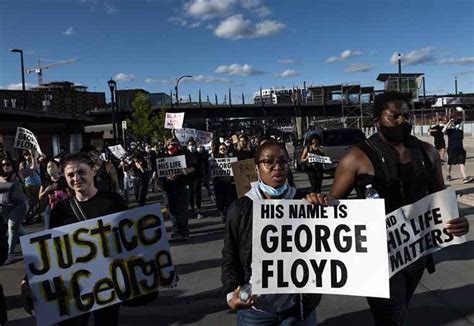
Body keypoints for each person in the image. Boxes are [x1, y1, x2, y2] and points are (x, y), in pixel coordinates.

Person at [306, 91, 470, 326]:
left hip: (416, 252)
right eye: (394, 116)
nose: (403, 121)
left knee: (400, 309)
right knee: (391, 317)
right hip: (376, 256)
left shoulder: (427, 152)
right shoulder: (356, 158)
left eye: (406, 115)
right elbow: (334, 203)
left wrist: (458, 220)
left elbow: (440, 198)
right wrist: (317, 201)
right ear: (377, 121)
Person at [21, 153, 127, 325]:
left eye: (81, 172)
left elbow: (131, 239)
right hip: (74, 283)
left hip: (108, 279)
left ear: (93, 171)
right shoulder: (61, 209)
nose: (76, 178)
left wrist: (160, 268)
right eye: (70, 175)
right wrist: (28, 279)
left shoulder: (114, 202)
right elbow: (49, 248)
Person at [222, 140, 321, 325]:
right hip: (255, 309)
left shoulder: (305, 202)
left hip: (299, 308)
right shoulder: (240, 209)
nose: (277, 167)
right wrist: (230, 295)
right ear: (257, 167)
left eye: (283, 161)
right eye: (269, 162)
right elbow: (230, 255)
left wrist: (324, 207)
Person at [158, 138, 193, 240]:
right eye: (170, 144)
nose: (172, 146)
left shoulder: (184, 155)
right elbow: (158, 171)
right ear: (166, 145)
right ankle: (176, 230)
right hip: (168, 187)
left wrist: (187, 170)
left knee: (182, 210)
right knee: (172, 210)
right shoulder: (162, 157)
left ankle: (184, 231)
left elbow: (194, 167)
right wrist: (165, 177)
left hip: (181, 185)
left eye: (175, 144)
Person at [0, 158, 28, 265]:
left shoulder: (19, 174)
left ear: (13, 165)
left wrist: (33, 155)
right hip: (5, 208)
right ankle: (31, 241)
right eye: (3, 165)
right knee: (17, 228)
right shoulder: (1, 177)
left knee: (12, 228)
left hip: (19, 205)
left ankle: (9, 254)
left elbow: (33, 167)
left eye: (8, 164)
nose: (5, 166)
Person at [38, 160, 69, 229]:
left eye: (52, 166)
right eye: (48, 167)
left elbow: (71, 194)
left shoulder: (65, 180)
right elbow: (40, 197)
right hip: (50, 208)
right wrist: (47, 190)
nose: (50, 169)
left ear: (58, 168)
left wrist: (63, 195)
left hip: (64, 207)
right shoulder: (46, 181)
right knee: (49, 229)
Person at [443, 117, 472, 183]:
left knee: (462, 163)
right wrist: (449, 123)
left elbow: (461, 139)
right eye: (459, 124)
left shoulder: (460, 131)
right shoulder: (450, 131)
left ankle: (464, 178)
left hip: (460, 149)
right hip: (451, 149)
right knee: (450, 163)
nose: (460, 125)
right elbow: (443, 131)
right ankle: (448, 175)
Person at [212, 143, 237, 219]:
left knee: (228, 200)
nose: (222, 150)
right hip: (219, 183)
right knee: (220, 201)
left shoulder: (231, 158)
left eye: (224, 149)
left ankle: (225, 215)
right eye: (221, 149)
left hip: (228, 183)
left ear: (226, 150)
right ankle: (222, 212)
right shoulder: (215, 159)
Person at [19, 150, 41, 223]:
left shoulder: (36, 160)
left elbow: (43, 157)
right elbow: (21, 173)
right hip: (27, 184)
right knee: (28, 201)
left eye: (28, 154)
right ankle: (28, 215)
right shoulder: (23, 164)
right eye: (26, 155)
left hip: (37, 183)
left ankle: (37, 215)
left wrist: (34, 154)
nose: (27, 156)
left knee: (36, 200)